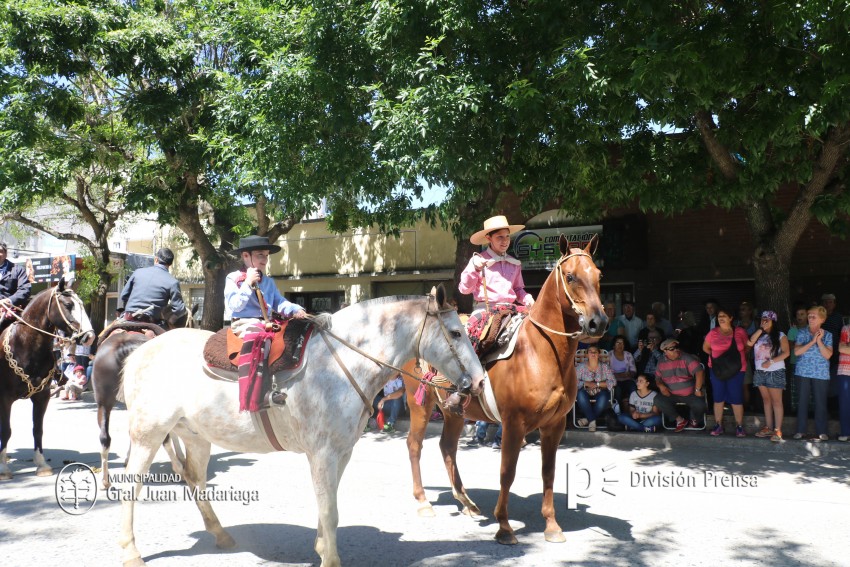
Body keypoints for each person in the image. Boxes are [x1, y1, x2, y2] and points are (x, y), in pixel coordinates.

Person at [225, 235, 306, 412]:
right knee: (260, 337)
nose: (265, 260)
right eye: (260, 255)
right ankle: (260, 394)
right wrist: (247, 283)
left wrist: (296, 310)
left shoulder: (268, 282)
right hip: (244, 323)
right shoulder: (233, 279)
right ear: (246, 256)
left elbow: (280, 302)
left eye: (266, 256)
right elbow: (235, 306)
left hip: (268, 323)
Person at [458, 215, 534, 311]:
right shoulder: (477, 260)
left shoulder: (514, 263)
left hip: (510, 310)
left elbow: (517, 289)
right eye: (500, 237)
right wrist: (476, 269)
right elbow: (464, 290)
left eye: (507, 236)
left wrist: (527, 298)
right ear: (489, 238)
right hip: (485, 310)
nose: (505, 240)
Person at [703, 306, 749, 437]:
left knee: (736, 397)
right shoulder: (713, 332)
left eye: (724, 316)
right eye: (719, 317)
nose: (721, 318)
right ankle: (718, 425)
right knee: (718, 397)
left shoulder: (740, 331)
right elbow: (705, 348)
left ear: (731, 318)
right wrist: (719, 359)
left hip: (737, 369)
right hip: (717, 369)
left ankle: (739, 426)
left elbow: (746, 348)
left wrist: (733, 359)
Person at [747, 311, 790, 442]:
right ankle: (769, 427)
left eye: (767, 320)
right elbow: (749, 343)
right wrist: (761, 329)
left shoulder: (781, 335)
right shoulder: (759, 335)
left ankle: (777, 429)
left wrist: (771, 361)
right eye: (762, 319)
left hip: (775, 371)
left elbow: (786, 353)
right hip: (760, 372)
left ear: (773, 321)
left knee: (776, 402)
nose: (764, 321)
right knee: (766, 401)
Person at [793, 306, 833, 441]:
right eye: (809, 316)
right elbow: (797, 352)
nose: (810, 318)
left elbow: (828, 355)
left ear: (822, 319)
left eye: (813, 316)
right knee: (802, 402)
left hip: (821, 373)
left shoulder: (828, 335)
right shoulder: (802, 332)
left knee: (820, 402)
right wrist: (812, 341)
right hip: (802, 372)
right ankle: (800, 430)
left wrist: (819, 341)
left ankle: (822, 431)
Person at [119, 247, 186, 325]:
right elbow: (179, 309)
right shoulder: (173, 282)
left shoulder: (137, 272)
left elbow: (123, 296)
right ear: (170, 264)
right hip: (151, 321)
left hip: (128, 318)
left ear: (156, 259)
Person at [654, 338, 707, 432]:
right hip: (671, 394)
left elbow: (699, 371)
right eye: (672, 348)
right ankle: (680, 420)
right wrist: (661, 386)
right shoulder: (661, 362)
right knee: (658, 400)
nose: (676, 350)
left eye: (676, 347)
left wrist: (697, 389)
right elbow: (657, 378)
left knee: (700, 405)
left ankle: (694, 420)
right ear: (665, 351)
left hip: (689, 394)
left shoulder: (686, 357)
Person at [574, 345, 615, 432]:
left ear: (599, 354)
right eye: (590, 352)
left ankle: (588, 420)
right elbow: (573, 382)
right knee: (580, 394)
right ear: (587, 355)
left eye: (595, 351)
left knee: (604, 397)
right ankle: (592, 420)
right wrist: (585, 383)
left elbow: (613, 381)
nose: (593, 353)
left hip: (600, 391)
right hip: (585, 391)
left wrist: (598, 384)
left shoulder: (604, 367)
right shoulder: (581, 367)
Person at [0, 242, 32, 333]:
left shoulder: (18, 269)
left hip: (13, 310)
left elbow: (25, 289)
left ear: (6, 254)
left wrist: (9, 301)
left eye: (1, 251)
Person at [609, 336, 637, 407]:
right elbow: (607, 372)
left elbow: (633, 371)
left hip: (627, 379)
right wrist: (619, 375)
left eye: (622, 343)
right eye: (618, 343)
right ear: (613, 345)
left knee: (633, 388)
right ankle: (618, 410)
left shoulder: (628, 355)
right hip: (614, 381)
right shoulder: (609, 355)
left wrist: (630, 374)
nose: (620, 345)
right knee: (617, 391)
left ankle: (632, 409)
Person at [836, 319, 850, 442]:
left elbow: (846, 348)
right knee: (845, 404)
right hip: (844, 371)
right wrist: (845, 347)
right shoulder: (846, 328)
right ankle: (845, 432)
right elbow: (841, 348)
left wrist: (848, 345)